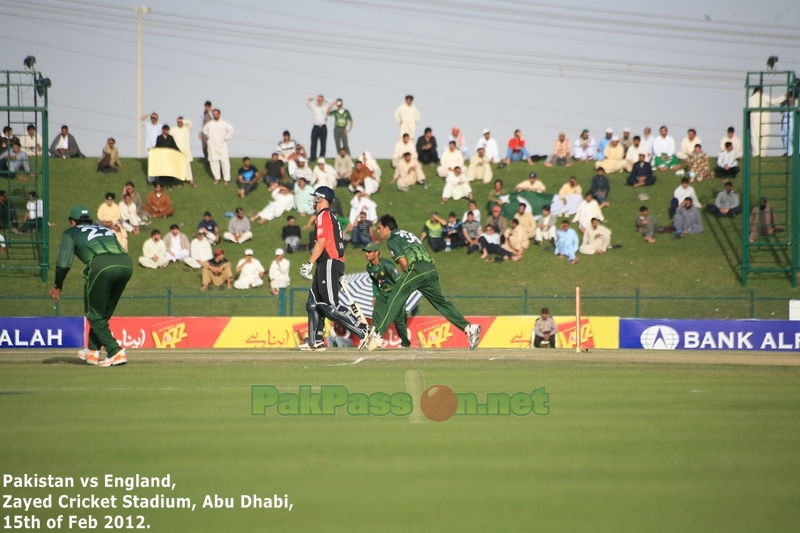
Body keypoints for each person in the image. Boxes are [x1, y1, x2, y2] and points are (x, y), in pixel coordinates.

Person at [365, 214, 481, 350]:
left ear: (386, 228)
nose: (378, 231)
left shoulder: (392, 239)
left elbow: (404, 262)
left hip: (417, 269)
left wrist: (405, 281)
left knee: (395, 295)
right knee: (441, 303)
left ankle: (378, 335)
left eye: (379, 228)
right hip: (431, 270)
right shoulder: (407, 233)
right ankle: (468, 327)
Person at [50, 206, 132, 366]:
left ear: (72, 221)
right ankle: (93, 350)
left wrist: (57, 285)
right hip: (126, 263)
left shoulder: (70, 232)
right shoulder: (104, 229)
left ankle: (115, 351)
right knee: (103, 312)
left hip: (102, 265)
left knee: (94, 314)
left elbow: (64, 264)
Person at [298, 186, 370, 351]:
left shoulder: (323, 216)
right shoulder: (330, 217)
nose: (313, 201)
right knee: (313, 303)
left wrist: (309, 264)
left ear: (322, 199)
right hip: (329, 262)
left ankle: (363, 330)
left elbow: (321, 242)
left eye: (316, 198)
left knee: (331, 306)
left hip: (329, 261)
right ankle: (315, 340)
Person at [362, 242, 411, 348]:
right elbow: (375, 282)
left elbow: (398, 281)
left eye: (369, 252)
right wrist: (375, 296)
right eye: (366, 252)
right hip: (383, 293)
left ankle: (405, 343)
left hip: (395, 293)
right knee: (376, 313)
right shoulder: (369, 267)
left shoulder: (387, 265)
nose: (366, 254)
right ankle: (376, 337)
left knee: (399, 322)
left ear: (377, 253)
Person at [749, 86, 786, 157]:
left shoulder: (751, 99)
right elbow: (775, 101)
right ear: (761, 90)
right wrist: (784, 96)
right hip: (764, 118)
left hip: (754, 118)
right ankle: (763, 154)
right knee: (765, 135)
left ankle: (756, 153)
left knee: (754, 136)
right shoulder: (763, 97)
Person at [202, 109, 235, 185]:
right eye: (214, 114)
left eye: (216, 114)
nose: (215, 116)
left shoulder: (224, 123)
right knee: (214, 161)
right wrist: (209, 136)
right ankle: (217, 178)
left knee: (225, 162)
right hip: (212, 145)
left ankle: (227, 179)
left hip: (222, 145)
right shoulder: (210, 124)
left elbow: (231, 130)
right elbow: (204, 130)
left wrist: (226, 137)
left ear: (219, 114)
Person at [173, 116, 196, 187]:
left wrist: (184, 121)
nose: (179, 123)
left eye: (181, 122)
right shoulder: (173, 130)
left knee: (187, 166)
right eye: (178, 122)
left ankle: (191, 181)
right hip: (177, 151)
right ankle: (179, 181)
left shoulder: (186, 129)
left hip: (185, 151)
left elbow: (191, 124)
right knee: (178, 167)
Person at [306, 94, 331, 160]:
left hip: (323, 127)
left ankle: (321, 157)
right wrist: (314, 98)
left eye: (321, 100)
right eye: (318, 100)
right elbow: (306, 102)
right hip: (315, 127)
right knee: (313, 143)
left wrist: (324, 99)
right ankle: (313, 157)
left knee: (323, 144)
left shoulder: (325, 107)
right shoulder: (314, 107)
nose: (319, 101)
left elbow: (331, 103)